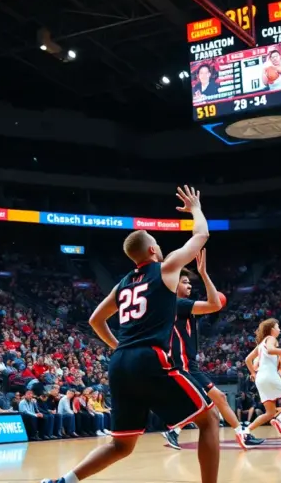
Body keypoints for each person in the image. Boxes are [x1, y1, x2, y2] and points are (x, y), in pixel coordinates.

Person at [41, 186, 219, 483]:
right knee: (210, 420)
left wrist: (118, 346)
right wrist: (196, 209)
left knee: (121, 444)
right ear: (152, 250)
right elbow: (201, 236)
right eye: (157, 244)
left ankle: (63, 482)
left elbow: (96, 319)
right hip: (149, 357)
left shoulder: (123, 283)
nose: (160, 248)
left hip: (121, 362)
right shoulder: (167, 267)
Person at [162, 252, 263, 450]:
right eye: (185, 282)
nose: (189, 285)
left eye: (190, 283)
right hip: (183, 366)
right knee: (213, 402)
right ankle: (241, 434)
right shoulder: (177, 304)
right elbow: (215, 304)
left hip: (189, 364)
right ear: (174, 285)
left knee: (212, 401)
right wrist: (204, 273)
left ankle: (175, 430)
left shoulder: (181, 307)